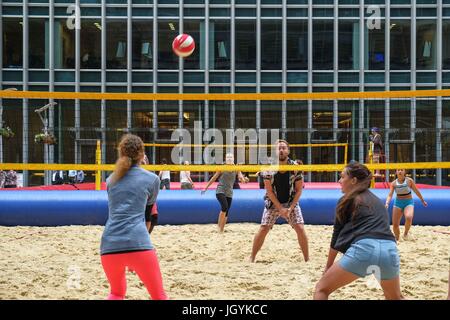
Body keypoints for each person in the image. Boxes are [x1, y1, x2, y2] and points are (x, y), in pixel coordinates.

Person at [314, 161, 404, 300]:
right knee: (396, 298)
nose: (339, 180)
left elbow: (336, 236)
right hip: (390, 249)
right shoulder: (377, 201)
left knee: (321, 289)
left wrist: (328, 267)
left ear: (354, 180)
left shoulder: (346, 200)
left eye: (342, 177)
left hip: (364, 249)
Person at [100, 134, 167, 300]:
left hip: (109, 245)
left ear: (121, 153)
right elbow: (148, 216)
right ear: (142, 155)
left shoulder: (110, 180)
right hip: (138, 242)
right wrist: (141, 248)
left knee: (116, 293)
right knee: (159, 296)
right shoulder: (152, 180)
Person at [250, 139, 309, 263]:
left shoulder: (296, 168)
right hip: (273, 203)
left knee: (300, 227)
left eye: (283, 148)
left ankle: (307, 259)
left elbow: (299, 190)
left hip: (290, 202)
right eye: (278, 148)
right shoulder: (268, 168)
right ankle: (252, 258)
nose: (281, 150)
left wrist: (290, 208)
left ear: (288, 151)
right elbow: (269, 192)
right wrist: (280, 208)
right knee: (264, 228)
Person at [201, 153, 247, 233]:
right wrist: (206, 187)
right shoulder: (222, 167)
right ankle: (218, 227)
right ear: (225, 159)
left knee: (227, 211)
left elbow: (242, 180)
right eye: (228, 157)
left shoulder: (237, 168)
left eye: (231, 157)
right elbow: (214, 178)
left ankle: (221, 230)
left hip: (229, 192)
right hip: (220, 190)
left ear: (233, 159)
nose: (229, 158)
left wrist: (243, 179)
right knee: (224, 207)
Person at [385, 169, 428, 241]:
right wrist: (387, 203)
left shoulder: (409, 181)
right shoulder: (393, 183)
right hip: (398, 203)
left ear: (404, 172)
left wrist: (422, 200)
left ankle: (405, 234)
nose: (400, 171)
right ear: (396, 172)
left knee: (408, 217)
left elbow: (416, 191)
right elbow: (390, 195)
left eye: (402, 170)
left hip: (408, 202)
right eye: (398, 170)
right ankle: (397, 238)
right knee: (395, 225)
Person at [142, 154, 159, 233]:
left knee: (153, 217)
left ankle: (146, 237)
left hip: (149, 204)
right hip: (141, 205)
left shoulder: (151, 177)